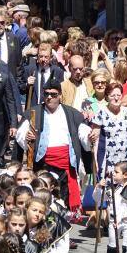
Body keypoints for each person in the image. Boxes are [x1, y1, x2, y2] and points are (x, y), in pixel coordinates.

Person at [15, 81, 92, 210]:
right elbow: (21, 134)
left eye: (53, 94)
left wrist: (90, 137)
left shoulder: (72, 113)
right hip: (42, 163)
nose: (49, 97)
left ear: (60, 95)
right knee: (42, 195)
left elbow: (83, 131)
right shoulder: (33, 112)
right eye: (46, 94)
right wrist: (27, 138)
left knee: (65, 195)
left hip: (66, 163)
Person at [89, 82, 127, 174]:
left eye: (118, 95)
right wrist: (95, 162)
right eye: (112, 95)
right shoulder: (101, 113)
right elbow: (95, 139)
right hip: (107, 160)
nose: (116, 98)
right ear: (107, 97)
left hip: (125, 158)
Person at [19, 42, 64, 108]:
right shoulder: (29, 70)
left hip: (50, 109)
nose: (43, 59)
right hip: (33, 109)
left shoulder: (58, 72)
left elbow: (60, 92)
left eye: (46, 57)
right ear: (37, 56)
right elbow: (21, 90)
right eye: (41, 56)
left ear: (51, 57)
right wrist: (27, 84)